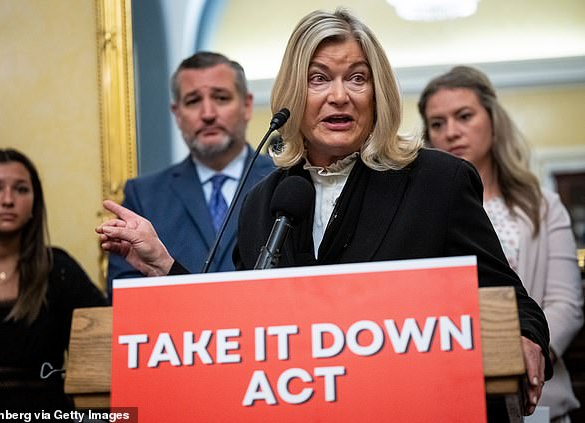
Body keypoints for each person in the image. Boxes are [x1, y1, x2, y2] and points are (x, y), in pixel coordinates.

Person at [97, 9, 552, 418]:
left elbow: (511, 299)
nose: (340, 96)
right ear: (293, 94)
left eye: (357, 78)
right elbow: (234, 335)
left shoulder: (437, 181)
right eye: (318, 79)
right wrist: (164, 267)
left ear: (378, 92)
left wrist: (528, 336)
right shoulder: (263, 200)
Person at [418, 65, 583, 422]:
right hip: (447, 393)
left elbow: (565, 305)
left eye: (464, 116)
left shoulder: (542, 206)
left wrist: (522, 355)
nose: (451, 132)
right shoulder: (419, 213)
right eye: (437, 123)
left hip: (536, 397)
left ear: (492, 120)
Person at [106, 51, 274, 295]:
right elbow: (122, 297)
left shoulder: (287, 181)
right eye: (193, 101)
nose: (207, 114)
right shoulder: (144, 197)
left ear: (247, 106)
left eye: (221, 98)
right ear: (177, 114)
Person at [0, 148, 107, 411]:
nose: (8, 200)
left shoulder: (58, 268)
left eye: (21, 189)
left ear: (35, 202)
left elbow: (106, 343)